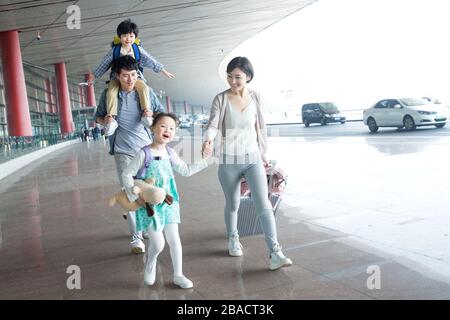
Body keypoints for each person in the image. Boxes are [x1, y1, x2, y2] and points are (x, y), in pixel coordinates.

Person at [202, 56, 292, 271]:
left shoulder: (256, 97)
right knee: (233, 204)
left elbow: (260, 127)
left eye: (238, 77)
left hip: (252, 158)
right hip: (229, 160)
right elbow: (213, 123)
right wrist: (208, 140)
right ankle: (233, 239)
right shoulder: (221, 99)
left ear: (248, 77)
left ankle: (275, 252)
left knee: (264, 205)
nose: (233, 81)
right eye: (230, 77)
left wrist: (263, 153)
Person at [121, 112, 212, 288]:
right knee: (159, 243)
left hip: (170, 202)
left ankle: (178, 275)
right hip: (150, 205)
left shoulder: (170, 153)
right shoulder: (144, 153)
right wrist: (134, 194)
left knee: (174, 239)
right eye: (163, 126)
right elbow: (127, 174)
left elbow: (185, 170)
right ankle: (151, 260)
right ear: (153, 128)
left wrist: (204, 159)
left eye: (171, 128)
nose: (167, 130)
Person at [95, 55, 165, 254]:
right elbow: (97, 117)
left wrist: (151, 115)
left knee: (150, 189)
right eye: (125, 76)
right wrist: (105, 120)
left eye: (134, 75)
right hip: (123, 151)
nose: (130, 80)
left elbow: (162, 113)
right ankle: (136, 238)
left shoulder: (146, 92)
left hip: (146, 150)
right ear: (117, 76)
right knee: (130, 191)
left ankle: (150, 225)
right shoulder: (108, 95)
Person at [89, 18, 174, 136]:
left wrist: (162, 70)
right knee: (111, 92)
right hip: (116, 77)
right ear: (119, 37)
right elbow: (104, 64)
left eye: (131, 36)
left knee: (144, 88)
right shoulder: (115, 51)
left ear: (135, 37)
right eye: (125, 36)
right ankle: (111, 119)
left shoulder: (137, 49)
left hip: (136, 77)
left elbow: (150, 60)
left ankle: (146, 113)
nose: (128, 39)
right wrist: (93, 76)